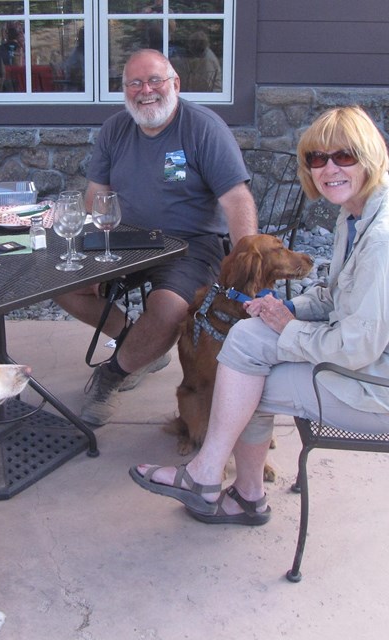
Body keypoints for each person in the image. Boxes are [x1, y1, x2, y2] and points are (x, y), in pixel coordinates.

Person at [130, 105, 389, 525]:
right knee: (246, 338)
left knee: (244, 380)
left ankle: (209, 477)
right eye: (316, 158)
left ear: (370, 156)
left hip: (374, 384)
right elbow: (336, 298)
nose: (328, 168)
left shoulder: (380, 240)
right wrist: (284, 308)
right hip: (361, 356)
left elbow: (357, 347)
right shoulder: (356, 214)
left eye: (344, 156)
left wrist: (289, 330)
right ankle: (237, 490)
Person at [55, 49, 257, 427]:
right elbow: (95, 195)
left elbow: (236, 200)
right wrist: (93, 253)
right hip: (122, 238)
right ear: (124, 90)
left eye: (154, 81)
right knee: (61, 283)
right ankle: (138, 344)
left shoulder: (203, 127)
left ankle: (113, 374)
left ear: (175, 84)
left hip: (190, 244)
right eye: (134, 83)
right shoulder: (115, 129)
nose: (145, 90)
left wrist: (246, 267)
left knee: (169, 310)